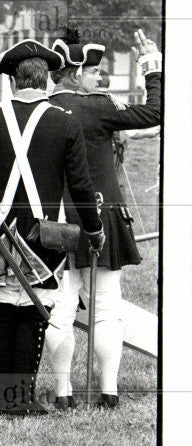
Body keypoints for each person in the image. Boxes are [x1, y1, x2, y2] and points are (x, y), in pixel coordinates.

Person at [0, 40, 103, 415]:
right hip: (41, 234)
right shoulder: (65, 121)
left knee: (4, 312)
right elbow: (80, 186)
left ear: (13, 79)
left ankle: (6, 398)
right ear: (45, 81)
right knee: (31, 311)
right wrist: (93, 231)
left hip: (0, 231)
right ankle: (21, 401)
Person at [43, 28, 162, 410]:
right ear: (76, 73)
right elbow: (156, 112)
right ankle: (108, 394)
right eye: (94, 72)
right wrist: (152, 69)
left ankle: (63, 394)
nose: (99, 78)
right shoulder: (96, 106)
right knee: (106, 311)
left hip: (52, 219)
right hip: (100, 213)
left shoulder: (40, 108)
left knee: (59, 310)